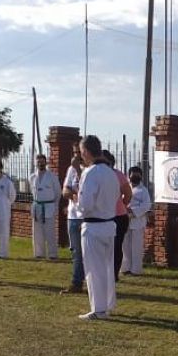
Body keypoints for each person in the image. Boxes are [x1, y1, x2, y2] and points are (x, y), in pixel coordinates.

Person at [76, 135, 120, 320]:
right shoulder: (111, 172)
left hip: (94, 226)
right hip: (109, 224)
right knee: (107, 268)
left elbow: (85, 203)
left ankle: (99, 309)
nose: (81, 156)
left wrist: (76, 203)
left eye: (81, 152)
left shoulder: (90, 172)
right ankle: (107, 304)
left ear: (86, 151)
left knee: (94, 269)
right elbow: (117, 196)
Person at [103, 151, 133, 281]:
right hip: (102, 216)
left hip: (118, 216)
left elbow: (128, 194)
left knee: (116, 245)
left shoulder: (118, 175)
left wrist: (121, 205)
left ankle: (114, 273)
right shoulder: (97, 175)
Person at [28, 153, 62, 260]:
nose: (40, 163)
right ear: (35, 163)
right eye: (38, 162)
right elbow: (32, 192)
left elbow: (58, 192)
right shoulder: (32, 177)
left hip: (49, 206)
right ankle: (39, 253)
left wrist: (55, 206)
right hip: (37, 206)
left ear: (45, 162)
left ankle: (52, 254)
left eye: (42, 161)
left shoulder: (52, 176)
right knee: (37, 232)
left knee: (50, 231)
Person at [61, 154, 85, 294]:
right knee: (76, 252)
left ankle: (92, 284)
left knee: (88, 253)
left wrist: (78, 168)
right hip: (73, 215)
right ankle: (76, 283)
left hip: (86, 216)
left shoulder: (91, 168)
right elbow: (64, 190)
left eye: (78, 152)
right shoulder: (71, 170)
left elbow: (86, 186)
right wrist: (71, 194)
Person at [121, 166, 151, 276]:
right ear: (129, 175)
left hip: (137, 222)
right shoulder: (125, 188)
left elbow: (146, 206)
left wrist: (132, 211)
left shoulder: (144, 190)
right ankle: (126, 268)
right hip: (125, 219)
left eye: (138, 175)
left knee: (136, 247)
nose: (135, 177)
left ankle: (136, 270)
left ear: (141, 177)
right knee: (125, 246)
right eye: (133, 175)